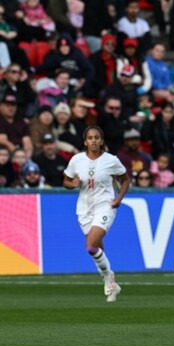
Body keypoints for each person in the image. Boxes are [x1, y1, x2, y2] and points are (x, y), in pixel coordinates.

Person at [63, 126, 130, 302]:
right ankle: (110, 281)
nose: (93, 141)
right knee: (96, 249)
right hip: (84, 209)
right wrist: (73, 184)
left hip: (105, 206)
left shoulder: (111, 160)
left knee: (91, 245)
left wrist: (119, 198)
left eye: (96, 138)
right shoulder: (77, 160)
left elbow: (125, 180)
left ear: (101, 141)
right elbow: (66, 181)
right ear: (85, 141)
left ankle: (109, 277)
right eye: (90, 138)